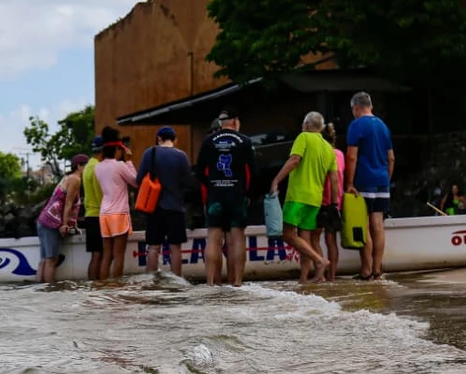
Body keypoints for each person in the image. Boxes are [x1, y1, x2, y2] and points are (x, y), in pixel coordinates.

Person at [269, 111, 339, 284]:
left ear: (306, 125)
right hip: (315, 199)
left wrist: (276, 180)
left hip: (298, 197)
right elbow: (334, 179)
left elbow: (294, 160)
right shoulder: (328, 148)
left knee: (287, 234)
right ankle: (306, 278)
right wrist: (333, 203)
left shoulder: (303, 137)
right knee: (305, 239)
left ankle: (319, 260)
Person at [195, 108, 256, 286]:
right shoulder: (245, 141)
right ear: (236, 121)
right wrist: (247, 192)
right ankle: (237, 282)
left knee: (213, 238)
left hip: (216, 194)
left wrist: (211, 185)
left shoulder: (208, 141)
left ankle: (210, 282)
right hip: (237, 193)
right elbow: (254, 172)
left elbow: (199, 171)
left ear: (220, 123)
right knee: (237, 239)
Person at [345, 91, 395, 280]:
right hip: (382, 180)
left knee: (363, 225)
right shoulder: (383, 126)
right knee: (378, 224)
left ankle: (366, 269)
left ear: (356, 107)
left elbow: (351, 156)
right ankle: (377, 268)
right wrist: (386, 179)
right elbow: (391, 158)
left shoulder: (356, 125)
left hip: (364, 180)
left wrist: (349, 183)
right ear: (371, 106)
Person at [136, 126, 195, 277]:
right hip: (175, 207)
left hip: (153, 208)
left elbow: (139, 179)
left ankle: (151, 280)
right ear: (175, 140)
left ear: (159, 139)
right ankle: (177, 280)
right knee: (176, 248)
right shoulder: (181, 156)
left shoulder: (150, 153)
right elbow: (189, 182)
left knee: (153, 247)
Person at [94, 129, 138, 279]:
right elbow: (135, 182)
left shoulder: (98, 167)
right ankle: (117, 287)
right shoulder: (120, 166)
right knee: (119, 255)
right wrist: (129, 161)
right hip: (118, 214)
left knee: (107, 255)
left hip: (104, 214)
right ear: (117, 149)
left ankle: (105, 286)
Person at [35, 154, 86, 283]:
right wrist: (64, 225)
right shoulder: (75, 179)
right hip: (52, 224)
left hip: (44, 220)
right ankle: (50, 290)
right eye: (86, 165)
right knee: (51, 260)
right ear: (79, 166)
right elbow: (68, 203)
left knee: (44, 260)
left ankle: (40, 290)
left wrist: (72, 226)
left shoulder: (67, 177)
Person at [308, 123, 345, 282]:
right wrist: (335, 203)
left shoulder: (322, 153)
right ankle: (332, 276)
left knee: (314, 238)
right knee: (331, 240)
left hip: (321, 200)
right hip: (337, 201)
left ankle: (320, 274)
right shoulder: (340, 154)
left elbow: (330, 179)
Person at [82, 136, 105, 280]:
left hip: (89, 214)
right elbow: (100, 194)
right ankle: (98, 285)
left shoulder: (88, 166)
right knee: (99, 254)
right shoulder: (97, 167)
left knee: (95, 254)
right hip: (97, 215)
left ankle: (92, 286)